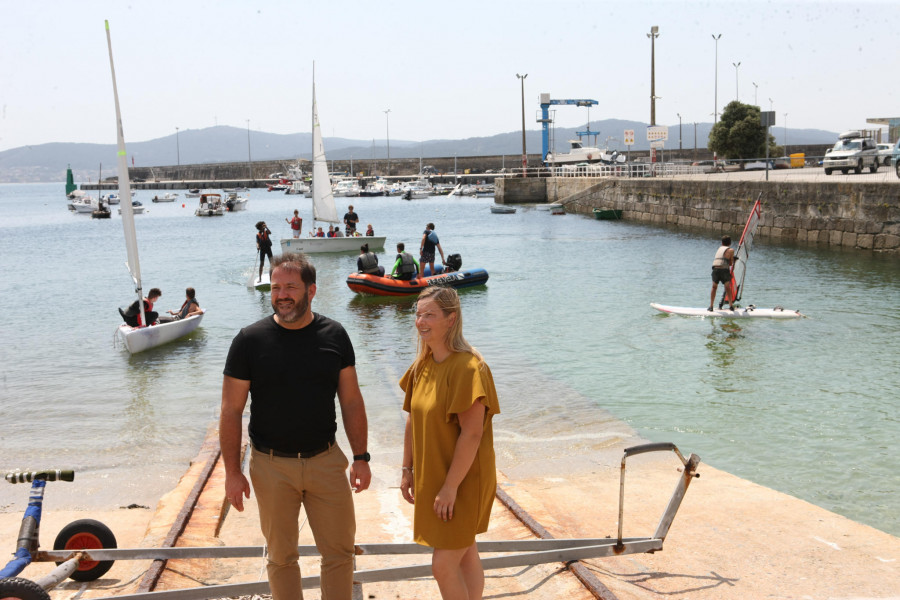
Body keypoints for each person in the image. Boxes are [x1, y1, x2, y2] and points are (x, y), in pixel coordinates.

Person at [220, 253, 372, 600]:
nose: (282, 294)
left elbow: (351, 400)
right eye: (275, 287)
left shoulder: (335, 334)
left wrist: (361, 457)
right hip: (271, 466)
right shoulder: (249, 340)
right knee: (281, 557)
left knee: (339, 554)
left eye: (290, 286)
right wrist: (232, 471)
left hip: (326, 462)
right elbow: (231, 410)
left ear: (311, 290)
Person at [399, 287, 500, 600]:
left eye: (429, 314)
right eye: (418, 314)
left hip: (463, 479)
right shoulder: (421, 367)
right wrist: (407, 469)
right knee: (465, 551)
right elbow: (412, 421)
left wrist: (450, 488)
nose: (420, 321)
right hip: (436, 475)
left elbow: (472, 434)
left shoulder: (470, 368)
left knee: (443, 565)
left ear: (451, 319)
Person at [709, 235, 736, 311]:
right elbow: (730, 264)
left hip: (715, 269)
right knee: (727, 287)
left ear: (722, 243)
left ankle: (711, 306)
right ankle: (731, 306)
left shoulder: (719, 249)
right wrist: (734, 260)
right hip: (724, 270)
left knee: (714, 287)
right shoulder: (731, 250)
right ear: (730, 243)